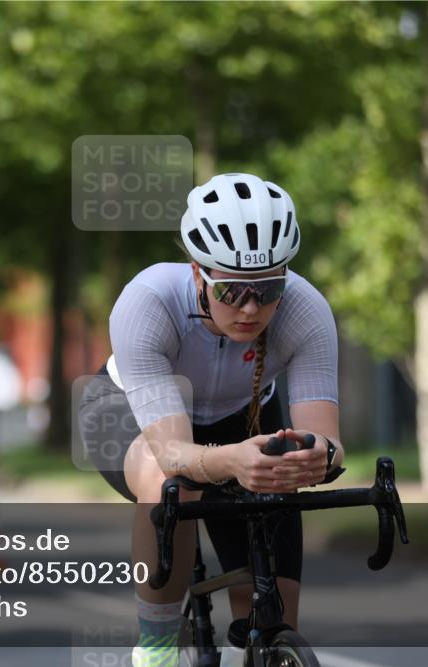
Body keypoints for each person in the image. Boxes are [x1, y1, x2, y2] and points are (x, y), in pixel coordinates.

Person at [78, 173, 345, 667]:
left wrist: (316, 456)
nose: (250, 308)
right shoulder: (148, 303)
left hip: (241, 417)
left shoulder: (306, 311)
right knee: (171, 483)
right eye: (230, 291)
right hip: (132, 416)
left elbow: (327, 441)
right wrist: (232, 462)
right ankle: (155, 647)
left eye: (268, 289)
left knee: (273, 613)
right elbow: (175, 452)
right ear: (198, 273)